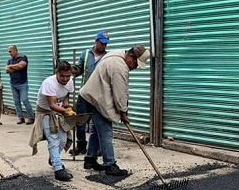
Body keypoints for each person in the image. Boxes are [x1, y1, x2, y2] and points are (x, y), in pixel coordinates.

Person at [76, 45, 150, 176]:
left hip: (89, 96)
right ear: (131, 57)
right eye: (136, 64)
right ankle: (110, 165)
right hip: (94, 98)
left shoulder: (119, 53)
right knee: (106, 133)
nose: (135, 67)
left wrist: (122, 110)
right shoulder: (120, 67)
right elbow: (120, 93)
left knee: (96, 131)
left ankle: (90, 159)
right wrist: (123, 112)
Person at [29, 61, 74, 182]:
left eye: (67, 76)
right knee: (53, 139)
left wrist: (67, 106)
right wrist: (66, 112)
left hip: (58, 112)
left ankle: (53, 159)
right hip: (45, 113)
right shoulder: (49, 83)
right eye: (62, 76)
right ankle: (58, 169)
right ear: (56, 73)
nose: (65, 79)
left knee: (63, 139)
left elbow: (65, 96)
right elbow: (52, 104)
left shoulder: (69, 81)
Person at [70, 30, 110, 155]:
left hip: (99, 95)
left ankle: (96, 148)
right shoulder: (86, 54)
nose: (104, 46)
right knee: (80, 121)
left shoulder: (107, 57)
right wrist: (75, 70)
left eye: (106, 44)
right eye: (102, 43)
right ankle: (81, 145)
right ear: (96, 41)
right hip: (85, 94)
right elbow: (79, 69)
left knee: (97, 123)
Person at [5, 45, 34, 124]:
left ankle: (31, 117)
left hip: (22, 83)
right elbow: (7, 70)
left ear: (15, 50)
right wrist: (16, 67)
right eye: (8, 52)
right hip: (13, 83)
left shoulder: (23, 57)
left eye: (10, 51)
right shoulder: (10, 60)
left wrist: (11, 67)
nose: (9, 53)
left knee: (25, 100)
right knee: (16, 101)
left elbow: (21, 65)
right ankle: (20, 118)